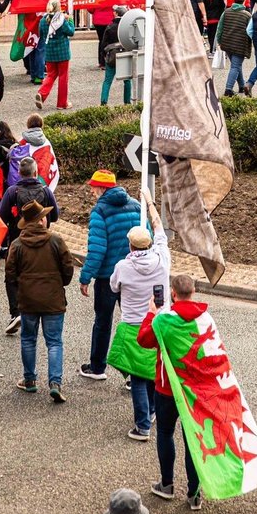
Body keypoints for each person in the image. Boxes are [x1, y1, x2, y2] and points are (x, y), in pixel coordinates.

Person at [138, 273, 202, 510]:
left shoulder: (163, 320)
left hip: (166, 388)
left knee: (165, 433)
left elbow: (143, 340)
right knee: (192, 441)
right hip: (193, 390)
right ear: (193, 292)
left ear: (173, 294)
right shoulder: (204, 319)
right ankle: (195, 493)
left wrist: (151, 313)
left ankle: (167, 485)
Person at [107, 189, 167, 441]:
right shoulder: (163, 259)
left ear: (130, 245)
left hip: (132, 325)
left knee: (138, 376)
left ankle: (142, 426)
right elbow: (159, 227)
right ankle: (151, 411)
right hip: (159, 324)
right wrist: (150, 202)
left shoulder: (123, 266)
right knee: (152, 370)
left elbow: (113, 287)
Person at [5, 200, 73, 402]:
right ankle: (55, 383)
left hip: (28, 301)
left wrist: (21, 288)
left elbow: (10, 274)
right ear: (42, 220)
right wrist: (59, 283)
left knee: (28, 339)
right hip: (53, 300)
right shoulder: (56, 241)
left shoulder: (17, 244)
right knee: (54, 342)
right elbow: (68, 268)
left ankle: (30, 380)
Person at [79, 170, 141, 381]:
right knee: (134, 322)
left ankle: (97, 367)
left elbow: (97, 250)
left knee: (103, 322)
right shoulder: (136, 206)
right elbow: (146, 237)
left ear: (101, 188)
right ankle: (135, 374)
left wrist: (85, 277)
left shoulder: (100, 211)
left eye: (93, 187)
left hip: (108, 277)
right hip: (133, 275)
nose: (92, 191)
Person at [0, 155, 59, 335]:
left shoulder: (13, 191)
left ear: (19, 173)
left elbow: (1, 215)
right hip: (42, 239)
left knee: (12, 275)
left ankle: (15, 313)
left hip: (18, 238)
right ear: (36, 172)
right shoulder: (46, 191)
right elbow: (55, 216)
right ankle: (37, 310)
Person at [35, 0, 75, 111]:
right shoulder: (62, 19)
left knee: (51, 75)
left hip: (49, 52)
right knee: (63, 77)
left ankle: (42, 93)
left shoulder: (43, 20)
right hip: (62, 52)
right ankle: (62, 103)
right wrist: (70, 19)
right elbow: (71, 32)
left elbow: (41, 34)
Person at [215, 0, 252, 95]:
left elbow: (220, 28)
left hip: (227, 43)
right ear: (244, 1)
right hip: (240, 45)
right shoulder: (247, 15)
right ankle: (228, 89)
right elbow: (250, 31)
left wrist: (219, 41)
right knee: (235, 66)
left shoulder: (226, 12)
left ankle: (241, 86)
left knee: (236, 65)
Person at [101, 5, 132, 106]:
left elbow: (103, 44)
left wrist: (104, 55)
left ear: (116, 13)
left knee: (107, 81)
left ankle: (103, 103)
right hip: (125, 55)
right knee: (127, 80)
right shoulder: (128, 27)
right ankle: (127, 102)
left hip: (112, 56)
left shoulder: (110, 26)